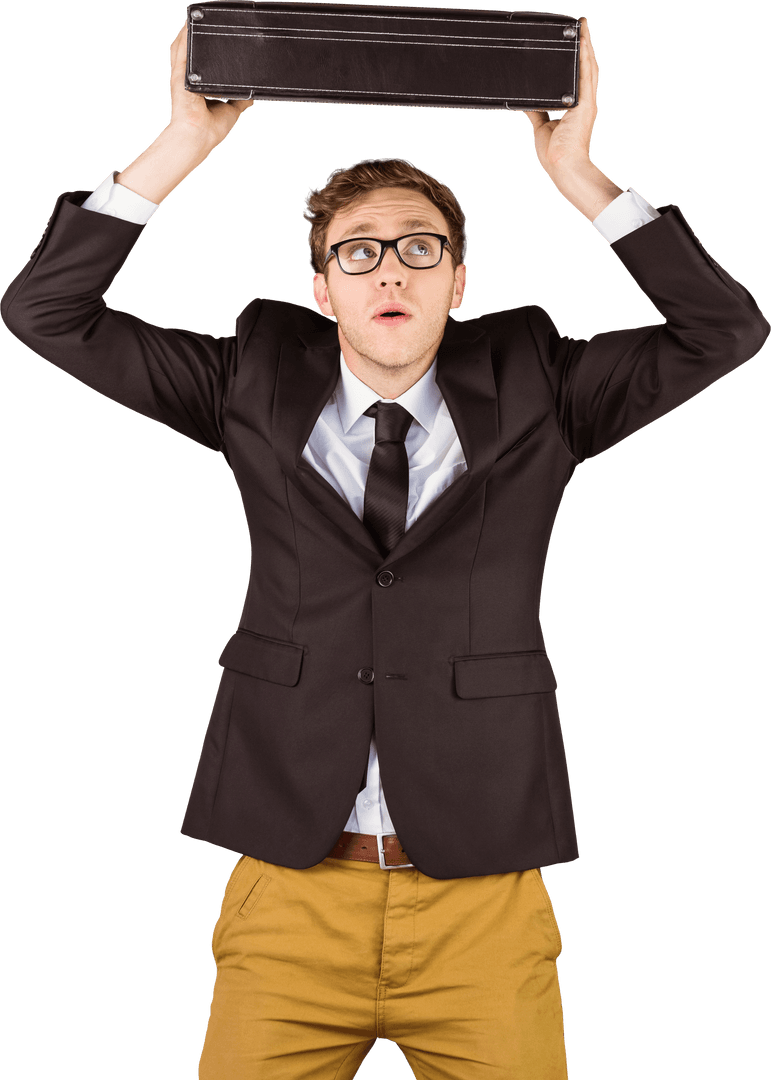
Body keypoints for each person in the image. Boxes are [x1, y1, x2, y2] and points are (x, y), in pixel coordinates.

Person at [2, 16, 768, 1080]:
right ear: (323, 289)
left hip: (483, 903)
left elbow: (723, 332)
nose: (389, 270)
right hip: (289, 893)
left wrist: (579, 172)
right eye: (357, 252)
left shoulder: (544, 386)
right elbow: (46, 310)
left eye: (421, 246)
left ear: (459, 281)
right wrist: (182, 144)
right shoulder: (249, 382)